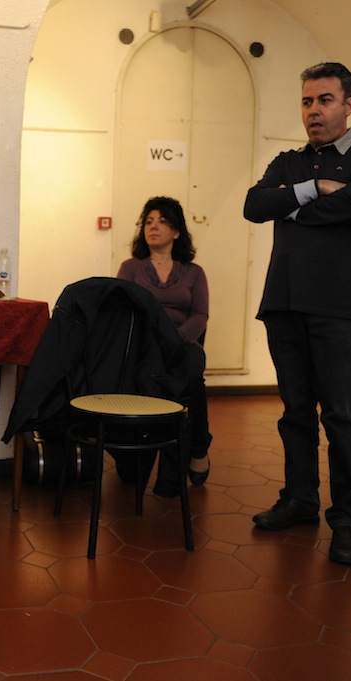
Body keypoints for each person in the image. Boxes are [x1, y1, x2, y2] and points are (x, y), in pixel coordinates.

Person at [243, 63, 351, 565]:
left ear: (348, 105)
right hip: (284, 303)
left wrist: (289, 207)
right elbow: (253, 205)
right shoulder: (288, 161)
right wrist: (313, 190)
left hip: (341, 309)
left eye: (325, 100)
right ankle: (300, 501)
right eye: (307, 101)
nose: (314, 111)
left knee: (344, 418)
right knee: (295, 414)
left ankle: (347, 520)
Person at [117, 196, 212, 494]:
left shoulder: (194, 272)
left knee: (190, 370)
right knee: (186, 389)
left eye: (162, 221)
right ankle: (196, 449)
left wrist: (177, 339)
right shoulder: (130, 268)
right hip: (143, 345)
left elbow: (200, 315)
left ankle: (169, 476)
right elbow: (122, 312)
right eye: (148, 222)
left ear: (176, 231)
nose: (153, 227)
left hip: (182, 343)